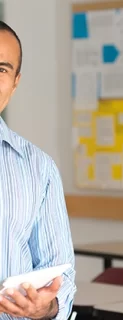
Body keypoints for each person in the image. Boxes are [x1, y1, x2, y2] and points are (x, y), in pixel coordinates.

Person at [0, 21, 76, 319]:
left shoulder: (38, 167)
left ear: (15, 81)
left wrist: (47, 307)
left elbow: (61, 275)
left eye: (1, 70)